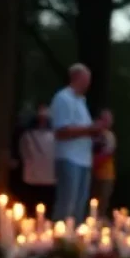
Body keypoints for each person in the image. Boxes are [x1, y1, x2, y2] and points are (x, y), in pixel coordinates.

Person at [49, 64, 101, 222]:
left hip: (84, 160)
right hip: (69, 158)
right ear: (77, 77)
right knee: (67, 204)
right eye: (86, 79)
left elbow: (83, 130)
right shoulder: (63, 98)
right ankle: (60, 241)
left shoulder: (81, 101)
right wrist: (90, 129)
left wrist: (96, 134)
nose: (88, 83)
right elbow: (61, 131)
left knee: (79, 206)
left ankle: (73, 242)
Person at [19, 103, 56, 215]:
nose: (42, 121)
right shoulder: (27, 135)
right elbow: (24, 153)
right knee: (31, 209)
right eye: (40, 118)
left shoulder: (54, 136)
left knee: (47, 209)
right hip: (32, 178)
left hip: (49, 179)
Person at [92, 108, 117, 214]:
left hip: (106, 175)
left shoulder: (110, 136)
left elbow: (107, 154)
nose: (107, 122)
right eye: (105, 119)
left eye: (109, 119)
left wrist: (93, 163)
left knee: (102, 203)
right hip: (93, 175)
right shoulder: (93, 135)